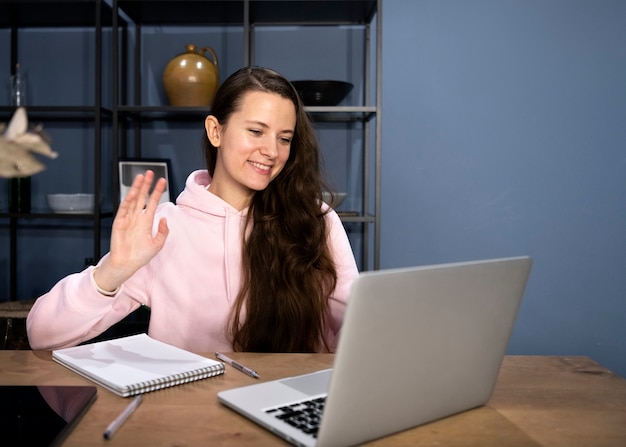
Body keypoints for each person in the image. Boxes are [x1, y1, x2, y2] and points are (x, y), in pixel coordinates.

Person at [27, 66, 359, 353]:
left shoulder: (315, 220)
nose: (271, 151)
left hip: (286, 403)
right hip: (190, 412)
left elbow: (355, 330)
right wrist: (113, 270)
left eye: (284, 138)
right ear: (216, 130)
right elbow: (42, 335)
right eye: (256, 131)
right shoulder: (163, 227)